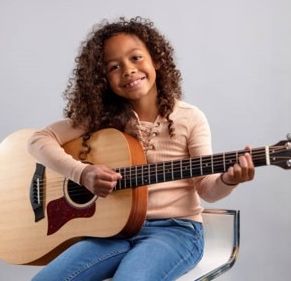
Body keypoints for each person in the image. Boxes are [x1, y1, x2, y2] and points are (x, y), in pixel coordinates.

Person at [27, 16, 255, 281]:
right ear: (103, 80)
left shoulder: (190, 118)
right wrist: (82, 173)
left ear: (156, 59)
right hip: (112, 232)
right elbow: (37, 140)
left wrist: (228, 179)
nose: (128, 70)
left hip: (175, 231)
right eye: (114, 66)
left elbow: (207, 188)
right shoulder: (103, 119)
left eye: (136, 58)